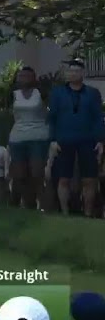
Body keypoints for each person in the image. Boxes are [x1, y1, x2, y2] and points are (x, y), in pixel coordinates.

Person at [48, 59, 105, 216]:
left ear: (82, 73)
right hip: (63, 140)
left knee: (89, 179)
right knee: (63, 178)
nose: (72, 74)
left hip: (88, 140)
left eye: (76, 71)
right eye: (70, 71)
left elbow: (98, 118)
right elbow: (52, 117)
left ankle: (87, 213)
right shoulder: (58, 93)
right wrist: (53, 140)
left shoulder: (92, 93)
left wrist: (100, 140)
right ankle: (65, 213)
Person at [8, 66, 49, 210]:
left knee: (37, 173)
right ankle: (28, 205)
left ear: (33, 78)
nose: (23, 78)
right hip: (18, 137)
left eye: (27, 76)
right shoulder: (13, 94)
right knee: (20, 175)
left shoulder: (41, 93)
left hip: (38, 136)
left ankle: (43, 205)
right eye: (21, 76)